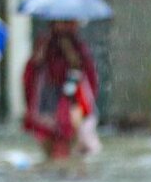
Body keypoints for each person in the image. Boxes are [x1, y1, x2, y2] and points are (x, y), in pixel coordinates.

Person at [22, 20, 99, 162]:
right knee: (48, 133)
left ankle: (69, 158)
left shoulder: (78, 44)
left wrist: (68, 48)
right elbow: (34, 66)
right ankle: (53, 163)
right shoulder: (45, 42)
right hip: (49, 92)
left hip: (71, 91)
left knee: (71, 126)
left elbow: (82, 67)